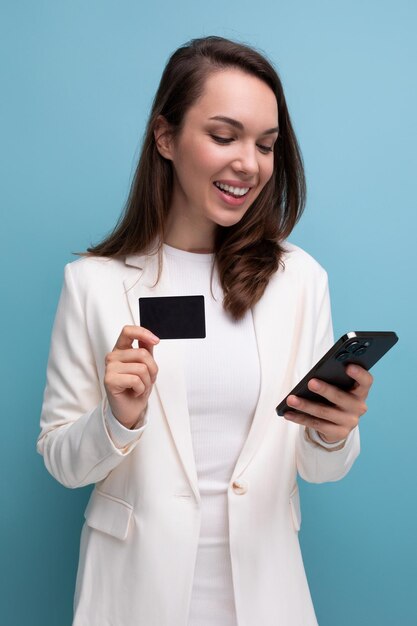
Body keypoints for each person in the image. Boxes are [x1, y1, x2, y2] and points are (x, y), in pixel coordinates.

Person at [37, 36, 373, 626]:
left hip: (266, 597)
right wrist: (117, 418)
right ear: (165, 138)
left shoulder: (299, 280)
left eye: (266, 145)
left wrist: (332, 434)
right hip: (133, 596)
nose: (249, 163)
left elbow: (320, 468)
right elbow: (63, 463)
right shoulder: (93, 284)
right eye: (224, 136)